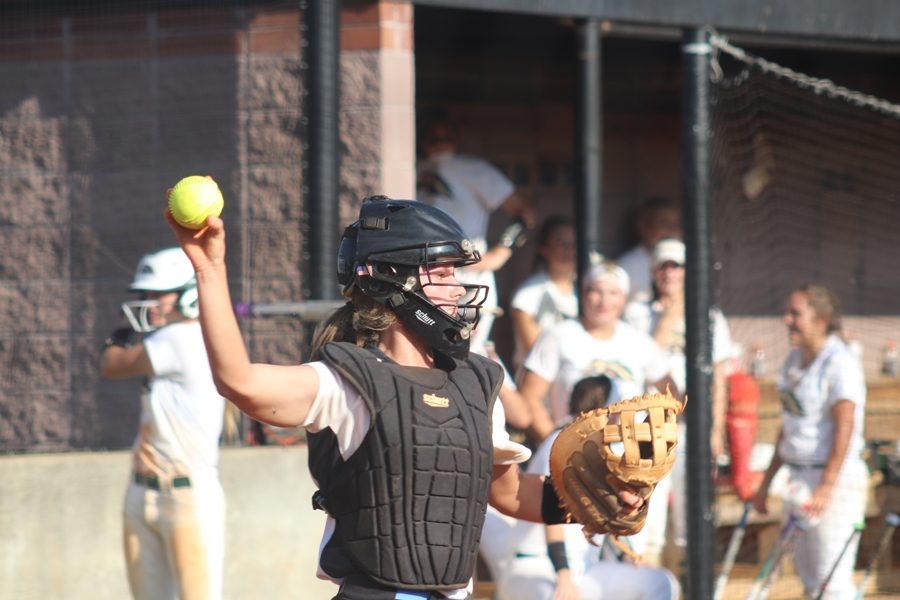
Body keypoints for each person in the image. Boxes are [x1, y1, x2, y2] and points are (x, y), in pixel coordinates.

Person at [164, 195, 644, 599]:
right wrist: (210, 268)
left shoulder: (477, 381)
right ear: (389, 279)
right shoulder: (349, 380)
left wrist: (597, 499)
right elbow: (240, 382)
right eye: (442, 272)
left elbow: (510, 492)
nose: (458, 288)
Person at [518, 260, 677, 563]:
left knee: (631, 549)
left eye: (613, 293)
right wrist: (560, 447)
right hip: (578, 461)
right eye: (595, 291)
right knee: (579, 544)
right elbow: (530, 398)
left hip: (628, 463)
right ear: (584, 294)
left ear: (624, 299)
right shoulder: (560, 335)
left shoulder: (637, 341)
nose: (603, 300)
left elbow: (672, 394)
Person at [100, 247, 226, 600]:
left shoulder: (181, 337)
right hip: (146, 489)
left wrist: (119, 335)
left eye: (160, 294)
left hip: (186, 495)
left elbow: (111, 364)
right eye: (147, 294)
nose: (150, 302)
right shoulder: (174, 336)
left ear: (189, 294)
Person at [497, 375, 681, 600]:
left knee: (658, 583)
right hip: (537, 567)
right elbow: (551, 516)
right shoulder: (561, 442)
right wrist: (563, 573)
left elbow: (602, 513)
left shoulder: (599, 449)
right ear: (605, 410)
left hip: (583, 570)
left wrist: (626, 558)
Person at [750, 284, 868, 599]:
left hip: (834, 481)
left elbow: (846, 423)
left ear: (820, 319)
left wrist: (828, 485)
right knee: (810, 578)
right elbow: (789, 426)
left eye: (796, 314)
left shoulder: (838, 361)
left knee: (832, 580)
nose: (787, 320)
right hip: (798, 476)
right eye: (787, 313)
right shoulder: (792, 361)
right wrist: (766, 481)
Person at [624, 238, 733, 553]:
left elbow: (719, 377)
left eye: (676, 266)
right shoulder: (636, 313)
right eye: (663, 266)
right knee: (649, 522)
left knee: (692, 519)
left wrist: (715, 428)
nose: (669, 273)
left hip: (690, 426)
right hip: (649, 426)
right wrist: (669, 318)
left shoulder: (709, 317)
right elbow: (642, 362)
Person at [417, 113, 536, 350]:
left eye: (447, 137)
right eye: (433, 137)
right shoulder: (411, 170)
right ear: (422, 140)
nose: (441, 143)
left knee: (467, 350)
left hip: (469, 277)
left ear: (457, 139)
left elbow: (525, 215)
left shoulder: (474, 170)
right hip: (424, 275)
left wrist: (499, 254)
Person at [509, 215, 578, 369]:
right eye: (561, 243)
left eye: (574, 243)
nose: (570, 249)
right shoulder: (527, 294)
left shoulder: (586, 287)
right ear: (543, 248)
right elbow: (535, 350)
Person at [616, 197, 682, 303]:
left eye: (676, 224)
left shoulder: (689, 261)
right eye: (664, 223)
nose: (672, 230)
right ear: (644, 226)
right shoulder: (627, 266)